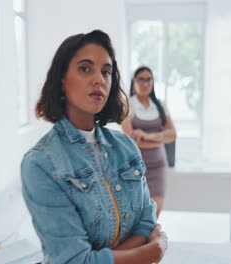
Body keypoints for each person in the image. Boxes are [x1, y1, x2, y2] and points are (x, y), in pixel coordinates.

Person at [21, 30, 168, 264]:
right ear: (61, 79)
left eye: (106, 71)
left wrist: (107, 258)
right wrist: (148, 253)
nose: (99, 79)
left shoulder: (126, 146)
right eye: (85, 68)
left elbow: (146, 219)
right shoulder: (40, 163)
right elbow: (73, 260)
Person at [121, 66, 176, 217]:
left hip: (158, 165)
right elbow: (131, 140)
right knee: (138, 215)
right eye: (141, 79)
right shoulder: (128, 105)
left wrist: (146, 136)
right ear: (134, 82)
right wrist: (160, 138)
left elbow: (172, 134)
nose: (145, 83)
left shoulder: (160, 105)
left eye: (149, 79)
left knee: (155, 212)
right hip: (136, 166)